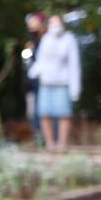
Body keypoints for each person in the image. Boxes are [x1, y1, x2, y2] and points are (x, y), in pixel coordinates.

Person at [29, 14, 81, 151]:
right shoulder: (46, 39)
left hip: (62, 83)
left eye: (57, 23)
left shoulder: (69, 39)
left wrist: (75, 88)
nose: (55, 26)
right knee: (44, 113)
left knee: (64, 113)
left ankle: (62, 145)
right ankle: (50, 144)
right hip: (46, 82)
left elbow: (74, 65)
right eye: (52, 23)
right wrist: (34, 71)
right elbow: (41, 60)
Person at [24, 12, 47, 145]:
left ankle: (46, 137)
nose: (30, 24)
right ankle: (39, 136)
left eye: (33, 21)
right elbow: (27, 61)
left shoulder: (46, 38)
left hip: (45, 79)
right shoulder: (30, 40)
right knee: (34, 110)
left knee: (44, 109)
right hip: (33, 81)